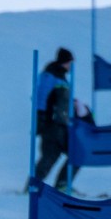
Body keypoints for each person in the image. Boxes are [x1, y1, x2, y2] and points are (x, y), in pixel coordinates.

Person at [33, 47, 80, 193]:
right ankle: (33, 186)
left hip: (62, 124)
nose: (71, 66)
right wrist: (40, 118)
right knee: (50, 156)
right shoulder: (50, 75)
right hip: (51, 124)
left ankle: (61, 185)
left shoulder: (61, 77)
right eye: (70, 62)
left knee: (76, 153)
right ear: (65, 62)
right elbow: (41, 97)